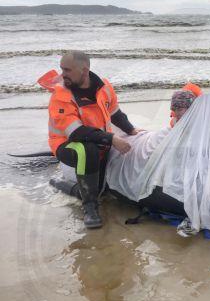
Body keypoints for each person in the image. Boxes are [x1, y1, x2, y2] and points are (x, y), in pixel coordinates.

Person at [38, 51, 142, 228]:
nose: (63, 74)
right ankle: (90, 208)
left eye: (68, 70)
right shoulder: (61, 96)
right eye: (62, 69)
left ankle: (76, 188)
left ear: (84, 70)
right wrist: (112, 139)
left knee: (99, 190)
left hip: (97, 141)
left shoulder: (104, 87)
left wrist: (131, 130)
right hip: (67, 144)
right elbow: (76, 132)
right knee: (87, 150)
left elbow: (115, 113)